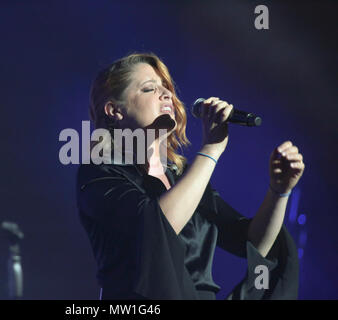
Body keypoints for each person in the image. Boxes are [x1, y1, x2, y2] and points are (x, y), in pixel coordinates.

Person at [76, 52, 305, 300]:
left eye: (167, 88)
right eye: (149, 89)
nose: (166, 94)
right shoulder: (98, 173)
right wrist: (211, 150)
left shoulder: (182, 177)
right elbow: (154, 230)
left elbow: (253, 243)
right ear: (114, 110)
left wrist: (279, 191)